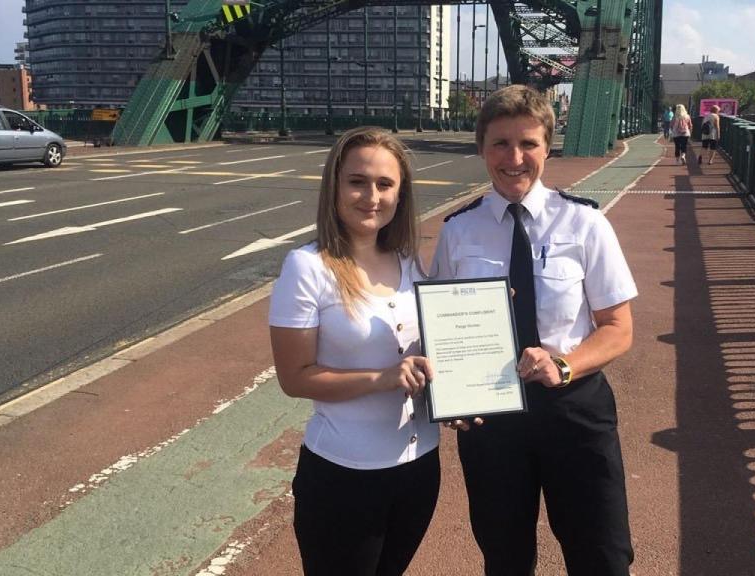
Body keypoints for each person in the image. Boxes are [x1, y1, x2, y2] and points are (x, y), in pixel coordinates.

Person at [432, 85, 637, 575]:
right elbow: (440, 326)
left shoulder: (585, 223)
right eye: (500, 144)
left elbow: (617, 327)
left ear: (547, 147)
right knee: (504, 557)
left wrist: (563, 364)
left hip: (574, 409)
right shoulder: (458, 231)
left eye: (528, 144)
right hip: (492, 419)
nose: (514, 158)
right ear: (482, 148)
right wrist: (449, 395)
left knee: (602, 554)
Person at [269, 126, 440, 576]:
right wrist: (381, 378)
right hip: (345, 474)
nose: (371, 196)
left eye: (385, 184)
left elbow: (430, 354)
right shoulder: (307, 267)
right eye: (357, 181)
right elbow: (294, 377)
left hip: (419, 466)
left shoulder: (411, 263)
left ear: (401, 195)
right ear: (335, 187)